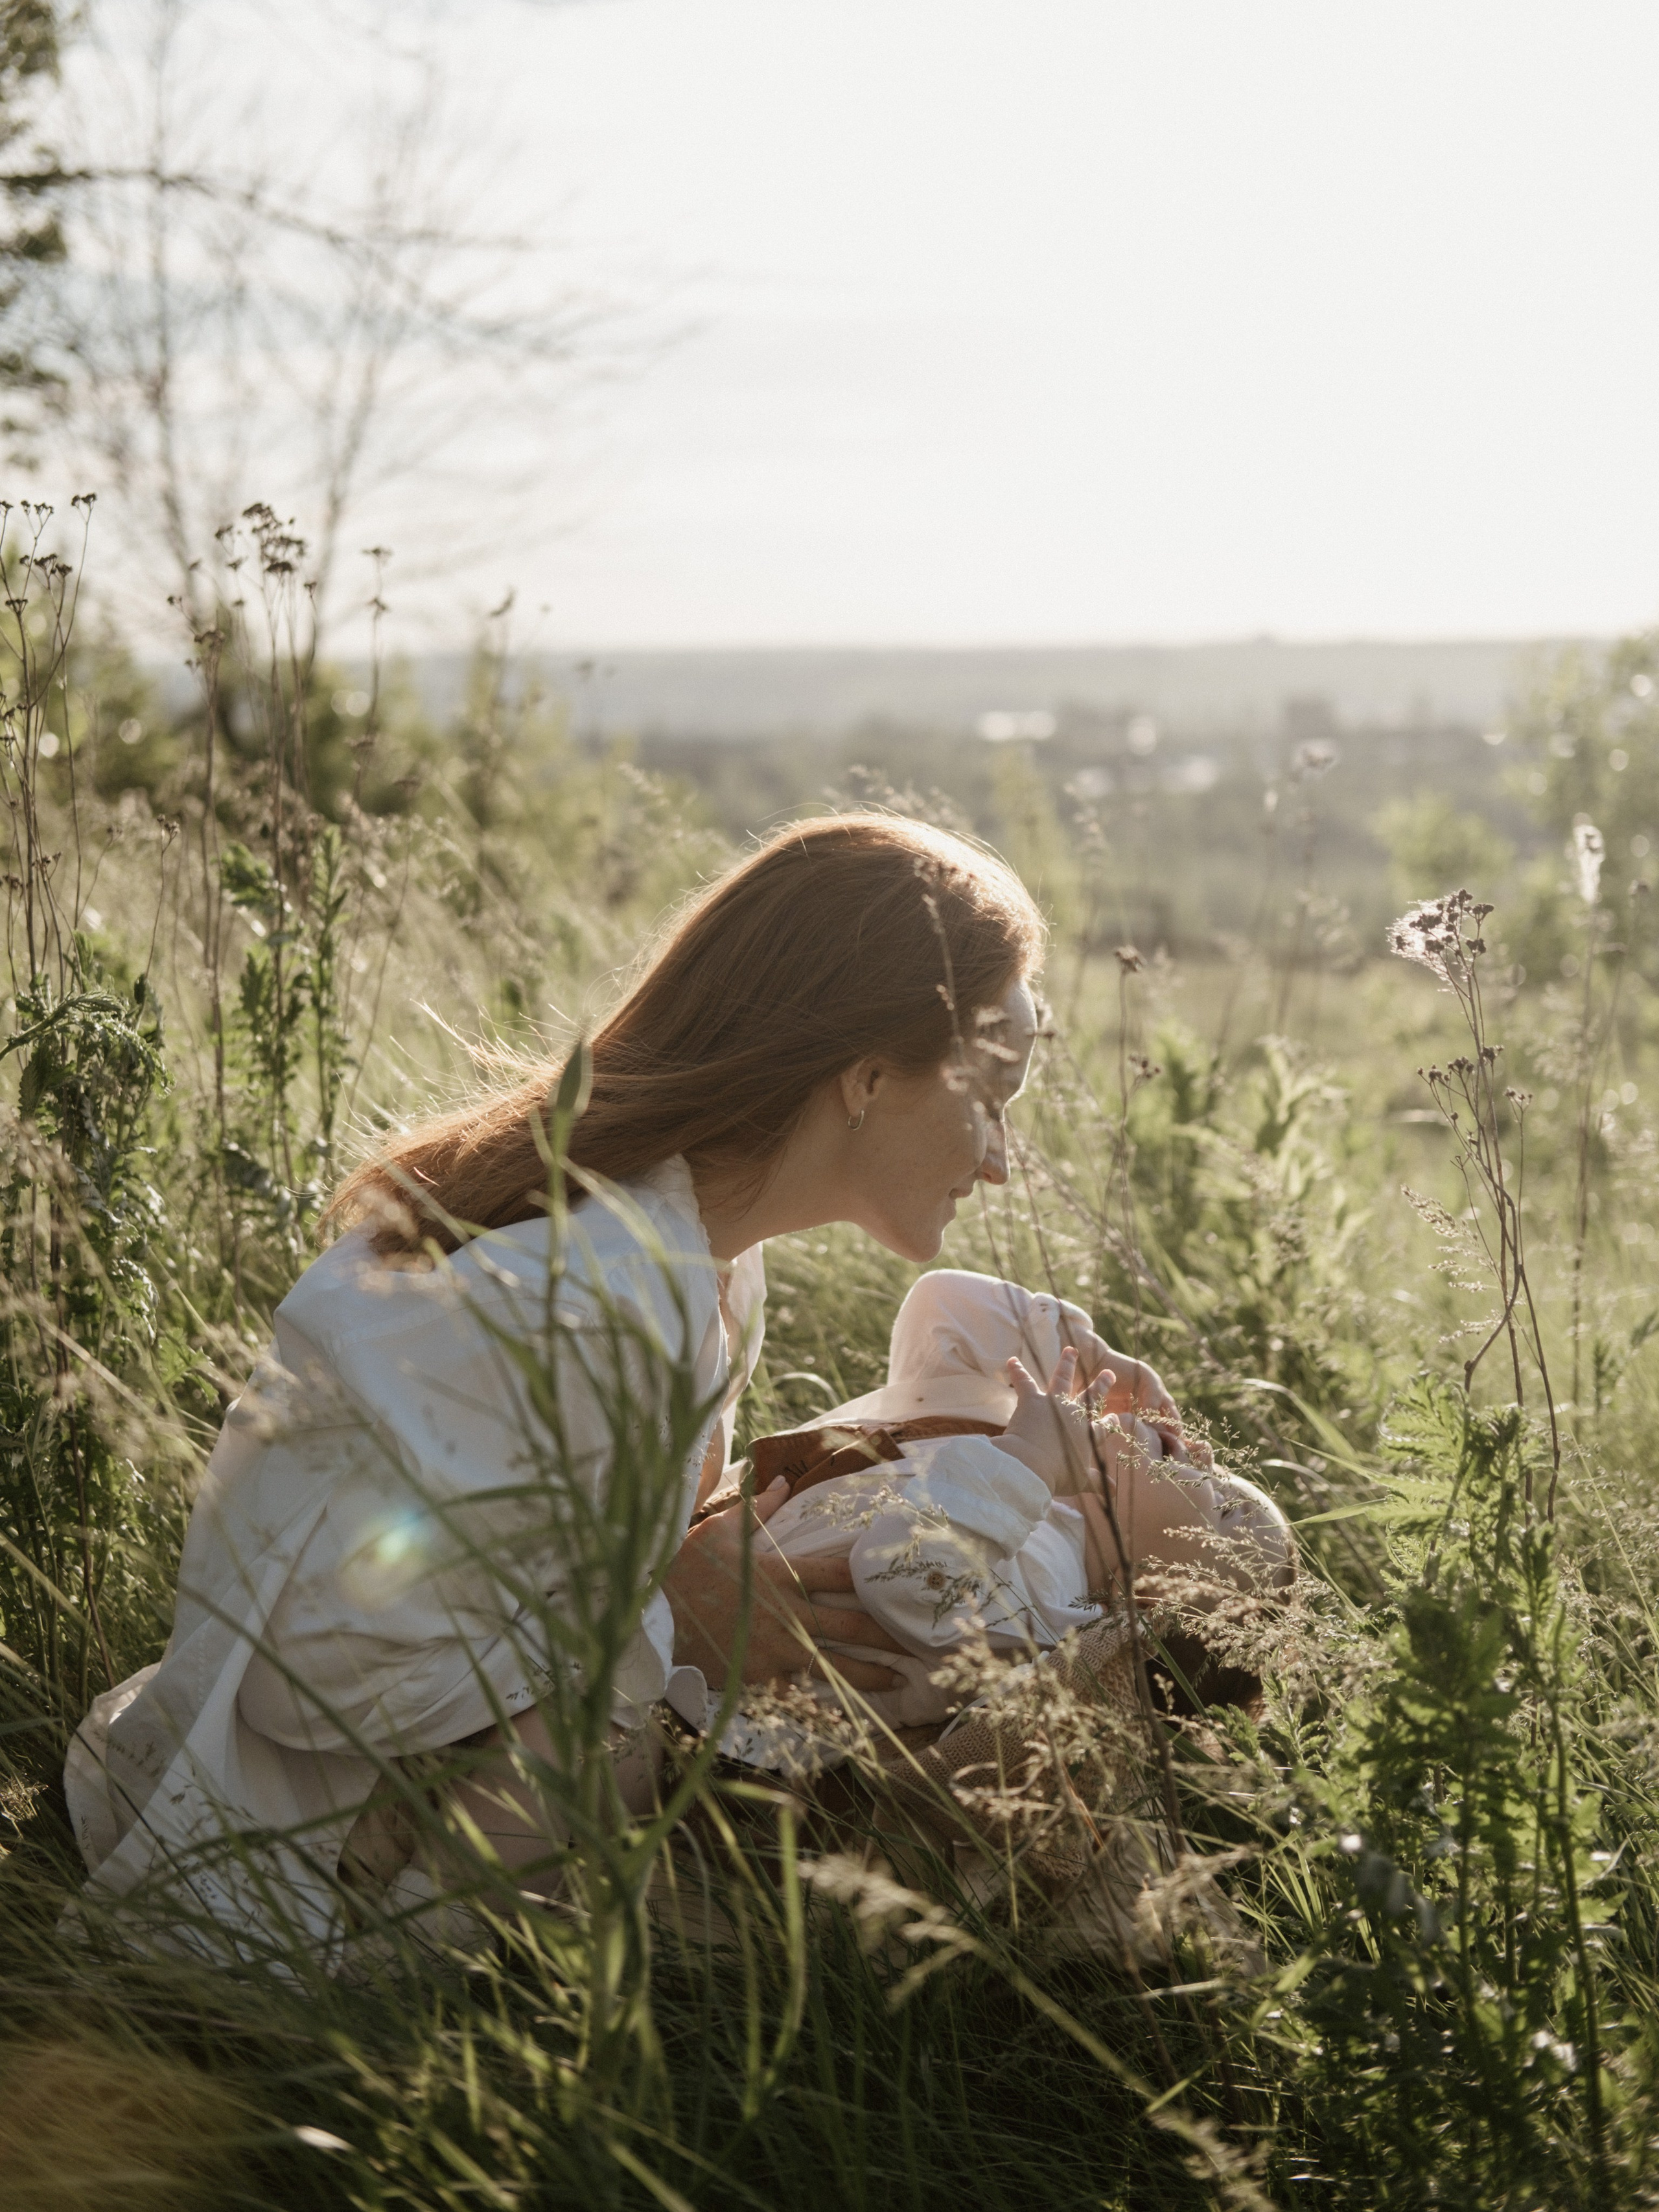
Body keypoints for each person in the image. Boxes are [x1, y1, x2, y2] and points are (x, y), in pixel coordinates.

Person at [63, 813, 1286, 1959]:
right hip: (323, 1868)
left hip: (486, 1775)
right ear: (867, 1078)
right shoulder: (590, 1295)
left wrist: (1041, 1333)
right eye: (991, 1103)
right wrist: (669, 1620)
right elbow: (317, 1659)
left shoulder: (703, 1258)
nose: (1004, 1163)